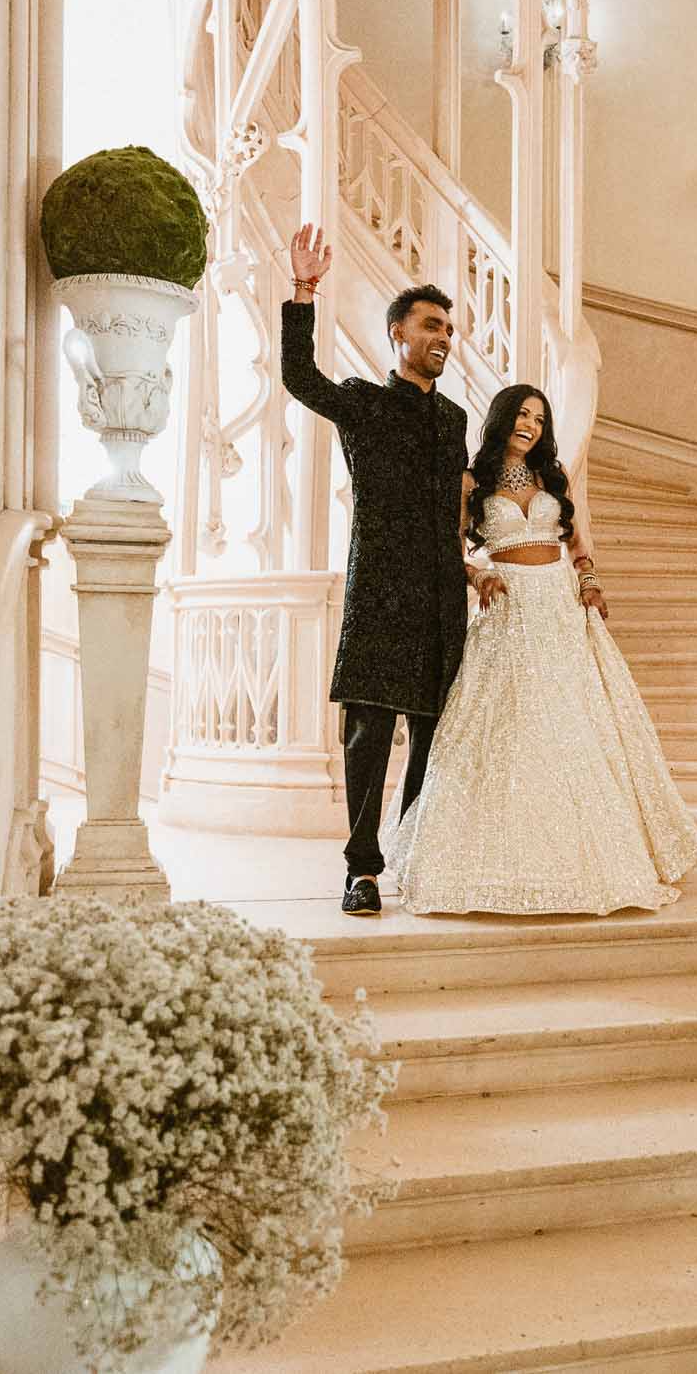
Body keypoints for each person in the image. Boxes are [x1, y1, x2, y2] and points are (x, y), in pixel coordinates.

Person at [383, 383, 697, 914]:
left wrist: (590, 582)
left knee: (572, 725)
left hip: (559, 607)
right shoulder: (471, 482)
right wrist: (476, 574)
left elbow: (578, 546)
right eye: (521, 414)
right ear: (502, 418)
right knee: (507, 727)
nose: (529, 425)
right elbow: (447, 548)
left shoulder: (553, 478)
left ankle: (593, 857)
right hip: (507, 606)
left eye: (539, 418)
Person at [280, 224, 474, 916]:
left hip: (441, 597)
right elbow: (300, 378)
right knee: (368, 734)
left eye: (448, 328)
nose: (443, 337)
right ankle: (361, 869)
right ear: (398, 333)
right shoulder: (363, 401)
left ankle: (412, 854)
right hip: (379, 592)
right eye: (431, 325)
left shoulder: (455, 419)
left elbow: (457, 509)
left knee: (430, 734)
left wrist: (474, 565)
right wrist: (303, 291)